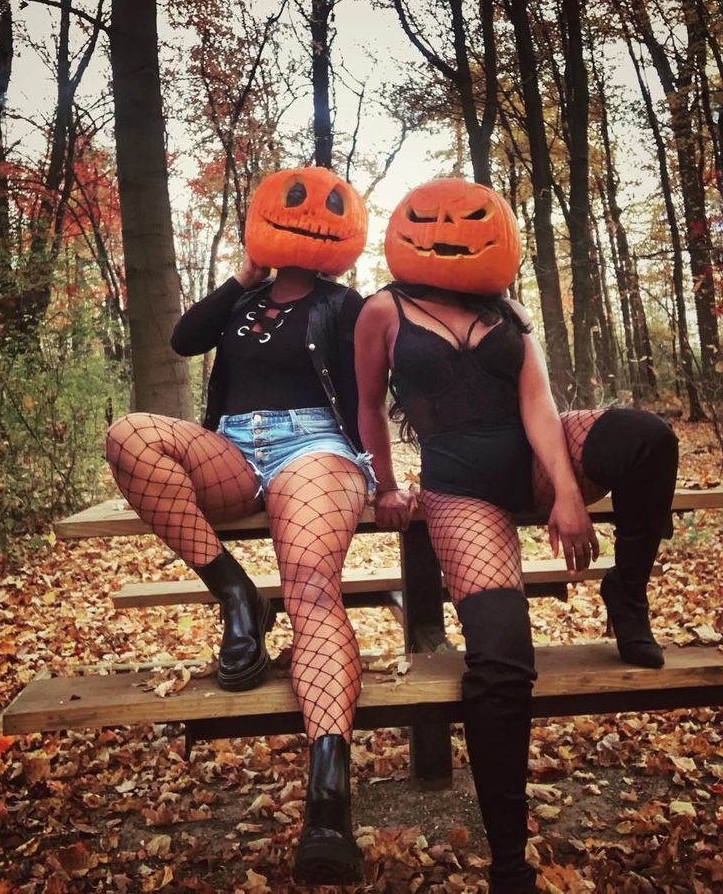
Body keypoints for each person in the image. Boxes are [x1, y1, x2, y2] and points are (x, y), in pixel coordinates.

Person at [355, 177, 678, 893]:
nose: (450, 229)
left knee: (645, 436)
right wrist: (383, 485)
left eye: (472, 220)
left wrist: (566, 492)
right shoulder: (383, 309)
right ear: (404, 230)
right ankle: (508, 866)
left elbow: (539, 401)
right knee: (501, 663)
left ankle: (626, 597)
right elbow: (368, 408)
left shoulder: (508, 308)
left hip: (532, 457)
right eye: (432, 220)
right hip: (458, 489)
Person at [105, 166, 374, 885]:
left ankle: (328, 802)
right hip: (230, 445)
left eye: (327, 208)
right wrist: (241, 275)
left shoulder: (347, 305)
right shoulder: (243, 300)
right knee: (130, 434)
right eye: (290, 206)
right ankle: (235, 595)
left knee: (313, 588)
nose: (309, 216)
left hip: (315, 446)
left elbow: (375, 388)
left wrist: (382, 467)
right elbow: (184, 339)